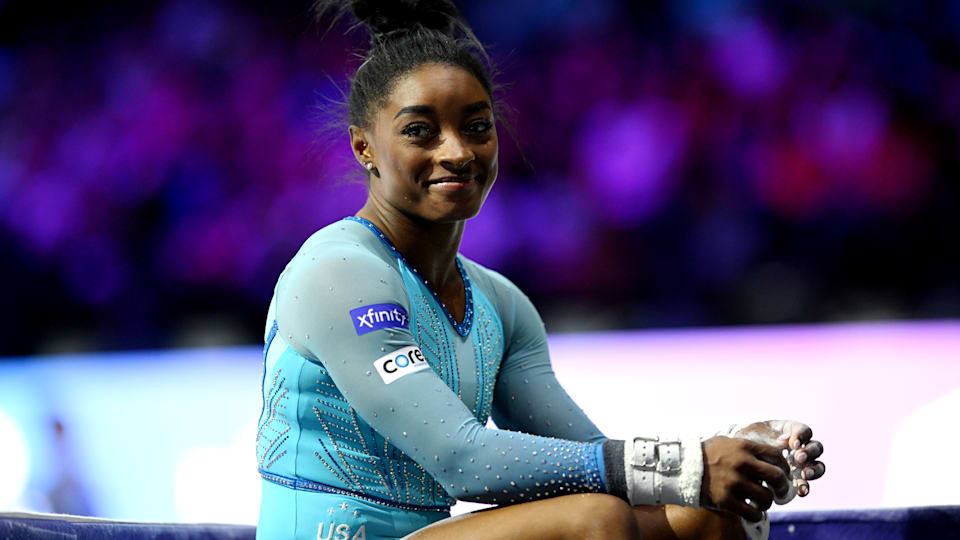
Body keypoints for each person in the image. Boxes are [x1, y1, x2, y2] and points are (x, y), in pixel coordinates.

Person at [255, 2, 826, 538]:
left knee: (708, 517)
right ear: (364, 148)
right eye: (419, 131)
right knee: (594, 519)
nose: (457, 152)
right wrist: (691, 464)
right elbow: (462, 460)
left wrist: (740, 455)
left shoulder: (499, 304)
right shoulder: (341, 271)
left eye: (477, 127)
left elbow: (595, 462)